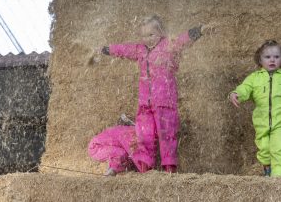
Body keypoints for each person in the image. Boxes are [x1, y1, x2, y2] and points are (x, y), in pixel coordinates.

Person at [88, 15, 212, 175]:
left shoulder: (169, 45)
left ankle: (169, 170)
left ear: (161, 32)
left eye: (151, 35)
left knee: (167, 135)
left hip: (164, 102)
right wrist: (104, 49)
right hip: (144, 104)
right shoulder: (139, 49)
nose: (147, 39)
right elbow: (122, 49)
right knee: (143, 136)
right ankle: (146, 171)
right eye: (144, 36)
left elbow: (183, 40)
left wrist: (200, 30)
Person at [229, 40, 281, 177]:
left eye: (276, 57)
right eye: (268, 57)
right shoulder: (254, 78)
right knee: (264, 149)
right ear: (260, 59)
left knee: (277, 149)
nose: (272, 60)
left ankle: (277, 180)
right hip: (261, 123)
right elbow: (245, 88)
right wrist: (236, 94)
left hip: (279, 123)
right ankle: (267, 170)